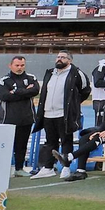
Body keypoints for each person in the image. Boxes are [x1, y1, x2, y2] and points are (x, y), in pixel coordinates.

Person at [30, 50, 89, 179]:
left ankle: (66, 167)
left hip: (64, 114)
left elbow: (85, 90)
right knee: (50, 142)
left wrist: (74, 103)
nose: (59, 59)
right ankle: (48, 167)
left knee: (66, 140)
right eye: (58, 57)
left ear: (70, 60)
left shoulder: (77, 74)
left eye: (63, 57)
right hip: (48, 113)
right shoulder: (50, 73)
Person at [0, 55, 39, 176]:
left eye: (22, 65)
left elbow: (35, 91)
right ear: (10, 66)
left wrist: (15, 91)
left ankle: (19, 169)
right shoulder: (4, 80)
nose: (20, 68)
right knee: (6, 145)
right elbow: (4, 96)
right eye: (17, 65)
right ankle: (2, 168)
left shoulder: (31, 77)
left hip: (26, 117)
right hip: (8, 118)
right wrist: (25, 92)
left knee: (22, 145)